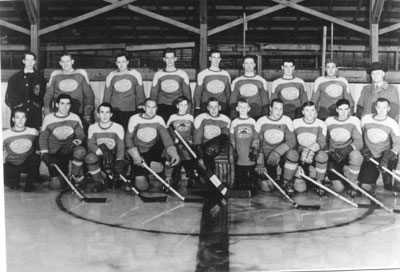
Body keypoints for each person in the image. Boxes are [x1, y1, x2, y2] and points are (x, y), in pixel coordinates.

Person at [125, 98, 180, 191]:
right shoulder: (134, 119)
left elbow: (167, 139)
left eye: (154, 107)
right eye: (148, 107)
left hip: (153, 150)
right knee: (143, 187)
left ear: (157, 108)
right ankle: (135, 176)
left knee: (171, 153)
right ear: (144, 107)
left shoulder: (159, 119)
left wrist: (174, 153)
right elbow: (128, 140)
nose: (151, 110)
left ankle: (167, 178)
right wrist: (136, 157)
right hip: (138, 151)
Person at [39, 94, 87, 189]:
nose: (65, 107)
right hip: (55, 153)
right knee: (56, 185)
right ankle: (62, 176)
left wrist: (74, 143)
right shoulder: (49, 118)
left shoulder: (75, 117)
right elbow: (43, 138)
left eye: (68, 104)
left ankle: (74, 176)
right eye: (62, 104)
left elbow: (81, 136)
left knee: (81, 151)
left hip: (69, 149)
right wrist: (45, 153)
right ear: (57, 105)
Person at [254, 98, 298, 194]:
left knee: (293, 154)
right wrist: (260, 162)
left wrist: (278, 152)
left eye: (281, 109)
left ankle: (286, 181)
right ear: (270, 108)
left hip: (280, 155)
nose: (278, 112)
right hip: (266, 156)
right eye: (276, 109)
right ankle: (259, 178)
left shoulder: (286, 120)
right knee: (267, 188)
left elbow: (292, 141)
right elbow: (256, 142)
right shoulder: (261, 121)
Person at [358, 98, 400, 195]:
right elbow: (359, 136)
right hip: (370, 156)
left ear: (388, 108)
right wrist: (364, 147)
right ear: (376, 107)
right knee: (365, 186)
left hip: (384, 156)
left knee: (388, 186)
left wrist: (387, 157)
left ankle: (390, 182)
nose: (381, 110)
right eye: (379, 107)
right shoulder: (365, 119)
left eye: (384, 108)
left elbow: (398, 143)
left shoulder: (392, 123)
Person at [43, 52, 95, 129]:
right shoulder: (55, 75)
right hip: (59, 113)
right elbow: (48, 95)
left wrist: (87, 113)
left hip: (78, 111)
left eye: (68, 61)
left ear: (72, 61)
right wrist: (47, 111)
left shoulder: (80, 74)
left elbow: (89, 95)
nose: (65, 64)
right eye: (63, 62)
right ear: (60, 63)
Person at [85, 103, 128, 193]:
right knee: (90, 158)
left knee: (117, 178)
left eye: (107, 112)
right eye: (102, 112)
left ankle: (113, 176)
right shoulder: (92, 127)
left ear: (111, 114)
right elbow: (90, 144)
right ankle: (100, 181)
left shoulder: (118, 127)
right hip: (101, 156)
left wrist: (119, 160)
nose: (104, 115)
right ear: (97, 114)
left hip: (113, 156)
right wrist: (100, 151)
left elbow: (121, 147)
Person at [325, 99, 363, 195]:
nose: (343, 112)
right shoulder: (329, 121)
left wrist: (346, 150)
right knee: (339, 189)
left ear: (349, 110)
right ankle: (336, 179)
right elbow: (324, 141)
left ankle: (353, 183)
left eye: (346, 109)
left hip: (347, 154)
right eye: (341, 109)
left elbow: (359, 142)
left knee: (357, 155)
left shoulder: (354, 120)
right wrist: (328, 158)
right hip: (335, 155)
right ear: (337, 110)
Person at [193, 98, 231, 195]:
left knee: (223, 137)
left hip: (218, 148)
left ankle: (216, 183)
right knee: (204, 160)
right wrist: (200, 155)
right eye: (211, 107)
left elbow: (225, 135)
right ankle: (210, 184)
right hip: (205, 148)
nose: (213, 109)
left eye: (215, 107)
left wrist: (215, 145)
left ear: (219, 107)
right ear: (207, 108)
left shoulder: (225, 119)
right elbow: (197, 138)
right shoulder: (201, 118)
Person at [293, 101, 328, 195]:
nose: (310, 113)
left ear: (315, 111)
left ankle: (320, 181)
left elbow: (322, 142)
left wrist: (311, 149)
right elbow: (292, 142)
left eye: (312, 110)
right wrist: (297, 163)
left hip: (314, 154)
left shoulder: (321, 123)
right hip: (301, 154)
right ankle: (298, 176)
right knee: (300, 189)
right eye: (307, 110)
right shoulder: (295, 123)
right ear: (303, 112)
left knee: (323, 156)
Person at [103, 53, 146, 130]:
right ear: (116, 63)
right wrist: (105, 111)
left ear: (127, 62)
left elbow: (140, 94)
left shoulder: (135, 74)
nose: (121, 64)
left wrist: (140, 110)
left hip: (131, 110)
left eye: (123, 62)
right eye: (119, 62)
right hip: (115, 110)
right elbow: (107, 96)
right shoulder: (111, 75)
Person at [5, 51, 46, 129]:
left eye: (32, 60)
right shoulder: (15, 78)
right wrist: (17, 108)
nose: (30, 62)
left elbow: (43, 95)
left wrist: (37, 106)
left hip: (34, 115)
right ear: (23, 61)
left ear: (35, 61)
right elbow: (8, 98)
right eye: (27, 60)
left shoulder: (40, 78)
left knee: (34, 137)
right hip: (19, 115)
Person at [3, 109, 40, 192]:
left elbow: (39, 145)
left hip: (26, 163)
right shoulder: (4, 135)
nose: (20, 120)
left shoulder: (33, 132)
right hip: (12, 164)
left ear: (26, 119)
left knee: (35, 157)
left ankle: (29, 184)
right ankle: (12, 179)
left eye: (23, 117)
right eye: (17, 117)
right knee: (14, 185)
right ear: (13, 119)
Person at [150, 48, 192, 122]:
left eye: (172, 58)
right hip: (162, 107)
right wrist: (153, 111)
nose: (169, 60)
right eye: (167, 58)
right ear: (164, 59)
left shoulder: (182, 74)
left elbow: (187, 95)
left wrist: (188, 112)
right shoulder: (158, 74)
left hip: (177, 106)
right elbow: (153, 95)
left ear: (175, 59)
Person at [166, 96, 197, 189]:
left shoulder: (190, 117)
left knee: (189, 161)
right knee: (177, 161)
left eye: (185, 105)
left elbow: (194, 130)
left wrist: (192, 139)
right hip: (176, 144)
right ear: (177, 106)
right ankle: (174, 180)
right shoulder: (173, 117)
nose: (183, 107)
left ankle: (191, 179)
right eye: (181, 105)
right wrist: (172, 139)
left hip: (187, 144)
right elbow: (167, 130)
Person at [230, 99, 259, 191]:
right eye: (241, 107)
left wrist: (255, 149)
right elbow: (232, 138)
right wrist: (233, 150)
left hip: (249, 152)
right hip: (239, 152)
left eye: (245, 107)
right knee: (239, 169)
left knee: (250, 169)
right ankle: (240, 186)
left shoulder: (252, 121)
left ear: (249, 108)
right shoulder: (234, 122)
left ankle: (251, 185)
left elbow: (256, 137)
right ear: (237, 108)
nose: (243, 109)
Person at [229, 54, 269, 120]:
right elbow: (233, 100)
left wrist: (265, 115)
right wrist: (234, 115)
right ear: (243, 65)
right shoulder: (237, 81)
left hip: (257, 115)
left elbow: (264, 99)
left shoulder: (261, 80)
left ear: (254, 65)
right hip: (241, 115)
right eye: (246, 63)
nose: (249, 65)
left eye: (251, 63)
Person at [193, 49, 231, 117]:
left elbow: (228, 93)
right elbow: (198, 94)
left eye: (218, 58)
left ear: (220, 59)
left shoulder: (226, 74)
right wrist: (197, 108)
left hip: (222, 107)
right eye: (214, 57)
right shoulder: (202, 74)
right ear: (210, 58)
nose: (216, 60)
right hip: (206, 107)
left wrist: (230, 107)